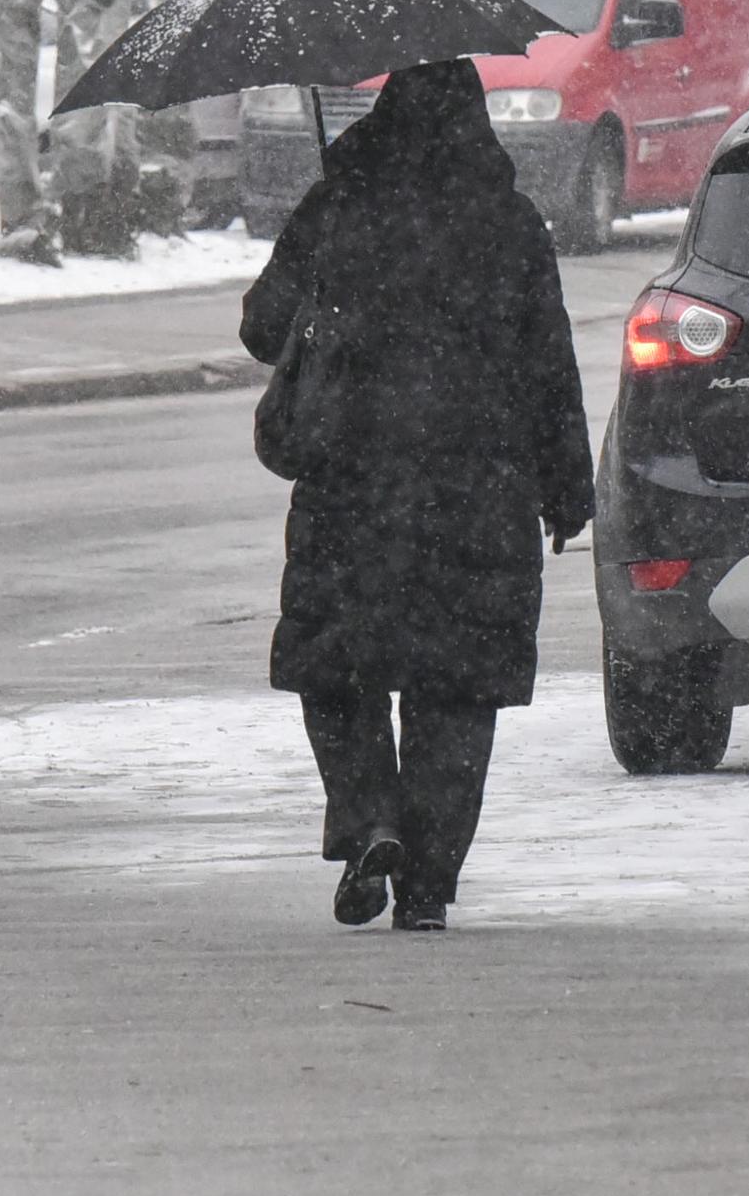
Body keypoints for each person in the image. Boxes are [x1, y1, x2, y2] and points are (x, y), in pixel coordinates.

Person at [238, 58, 593, 931]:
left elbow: (260, 328)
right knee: (458, 687)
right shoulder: (510, 225)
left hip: (351, 488)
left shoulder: (340, 206)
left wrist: (332, 242)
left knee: (339, 666)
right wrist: (566, 488)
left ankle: (369, 820)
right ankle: (428, 884)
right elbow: (549, 366)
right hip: (478, 490)